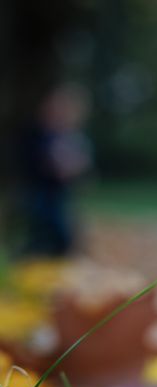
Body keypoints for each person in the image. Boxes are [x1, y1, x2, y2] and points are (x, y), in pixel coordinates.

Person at [16, 84, 92, 258]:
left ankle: (57, 256)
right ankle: (38, 256)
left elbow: (79, 166)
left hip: (58, 193)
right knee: (43, 226)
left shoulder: (71, 137)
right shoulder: (41, 136)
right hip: (41, 192)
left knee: (63, 229)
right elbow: (50, 164)